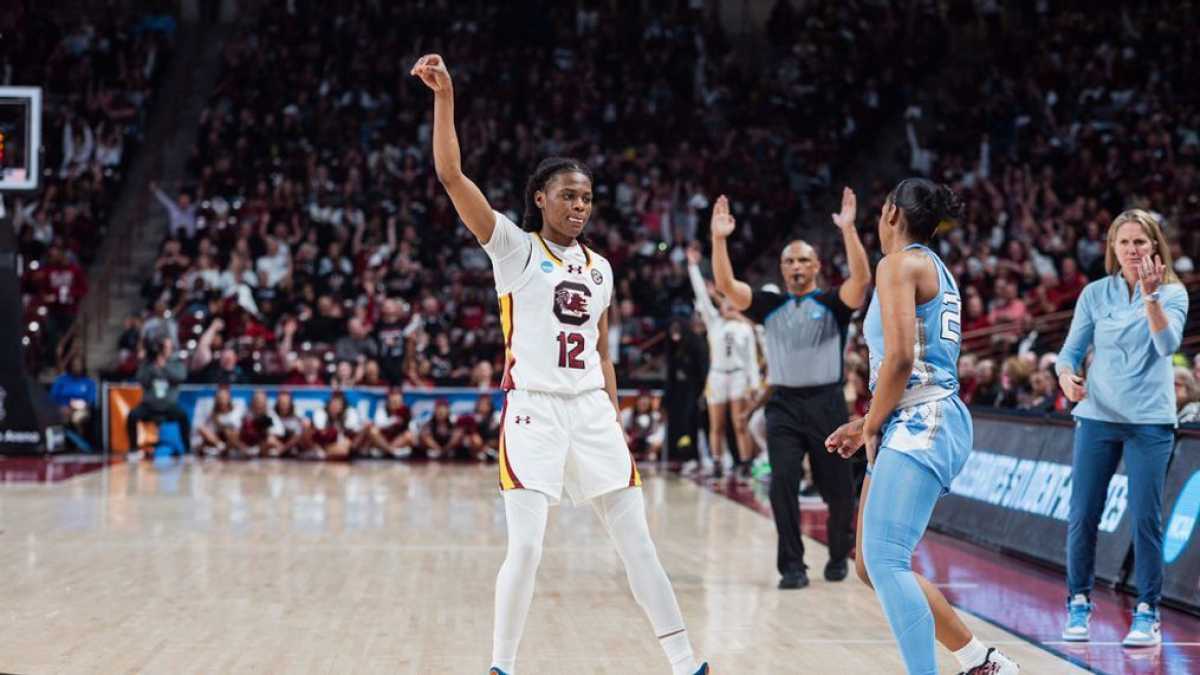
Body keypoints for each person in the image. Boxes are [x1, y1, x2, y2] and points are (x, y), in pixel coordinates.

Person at [412, 53, 706, 675]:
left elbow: (602, 350)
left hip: (593, 412)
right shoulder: (513, 249)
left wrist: (615, 416)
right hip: (535, 412)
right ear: (540, 198)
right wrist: (445, 99)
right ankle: (502, 667)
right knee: (526, 548)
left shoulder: (601, 268)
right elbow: (450, 174)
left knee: (639, 546)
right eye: (568, 196)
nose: (579, 206)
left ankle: (686, 663)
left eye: (588, 198)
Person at [824, 178, 1018, 674]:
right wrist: (869, 421)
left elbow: (903, 359)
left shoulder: (898, 263)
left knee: (887, 561)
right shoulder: (934, 267)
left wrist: (872, 424)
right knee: (872, 564)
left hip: (922, 418)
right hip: (913, 416)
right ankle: (980, 661)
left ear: (890, 213)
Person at [711, 188, 871, 588]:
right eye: (789, 261)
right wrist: (718, 239)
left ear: (816, 265)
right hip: (783, 405)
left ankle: (838, 551)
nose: (796, 266)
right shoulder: (770, 306)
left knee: (837, 492)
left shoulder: (833, 304)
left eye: (803, 259)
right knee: (782, 482)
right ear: (781, 270)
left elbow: (862, 280)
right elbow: (727, 286)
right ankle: (793, 567)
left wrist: (848, 231)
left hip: (827, 402)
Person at [1055, 209, 1189, 647]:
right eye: (1125, 243)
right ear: (1113, 248)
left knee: (1146, 517)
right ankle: (1078, 601)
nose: (1133, 250)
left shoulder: (1172, 293)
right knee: (1082, 515)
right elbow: (1070, 351)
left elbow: (1166, 346)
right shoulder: (1095, 294)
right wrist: (1065, 376)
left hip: (1149, 420)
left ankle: (1148, 611)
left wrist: (1151, 298)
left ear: (1155, 247)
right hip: (1096, 417)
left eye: (1141, 242)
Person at [686, 242, 759, 478]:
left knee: (740, 423)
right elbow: (700, 294)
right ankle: (717, 462)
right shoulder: (713, 321)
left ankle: (745, 463)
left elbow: (751, 360)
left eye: (731, 302)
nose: (726, 305)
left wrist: (754, 385)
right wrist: (693, 267)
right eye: (724, 301)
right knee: (716, 424)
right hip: (717, 375)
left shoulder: (745, 328)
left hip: (738, 375)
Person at [126, 336, 192, 456]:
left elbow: (180, 377)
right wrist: (150, 365)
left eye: (166, 347)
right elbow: (142, 380)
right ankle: (133, 450)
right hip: (149, 405)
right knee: (132, 415)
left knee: (183, 417)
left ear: (171, 348)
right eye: (162, 347)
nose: (164, 349)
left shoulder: (176, 362)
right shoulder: (148, 363)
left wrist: (164, 366)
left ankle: (188, 451)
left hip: (168, 406)